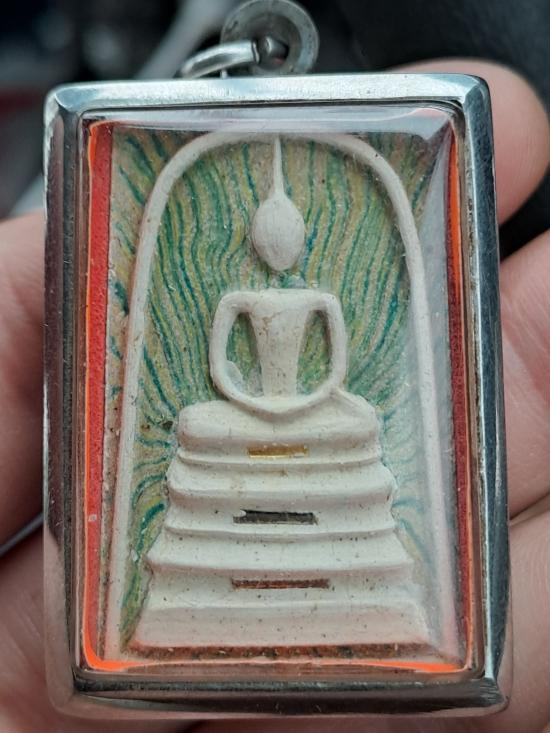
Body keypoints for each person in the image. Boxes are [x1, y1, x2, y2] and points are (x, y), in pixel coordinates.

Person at [0, 58, 549, 732]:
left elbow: (334, 365)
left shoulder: (317, 297)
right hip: (245, 404)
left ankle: (362, 590)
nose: (279, 247)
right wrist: (253, 401)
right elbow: (221, 365)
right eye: (271, 238)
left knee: (357, 426)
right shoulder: (239, 296)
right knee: (201, 426)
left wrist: (303, 401)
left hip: (313, 403)